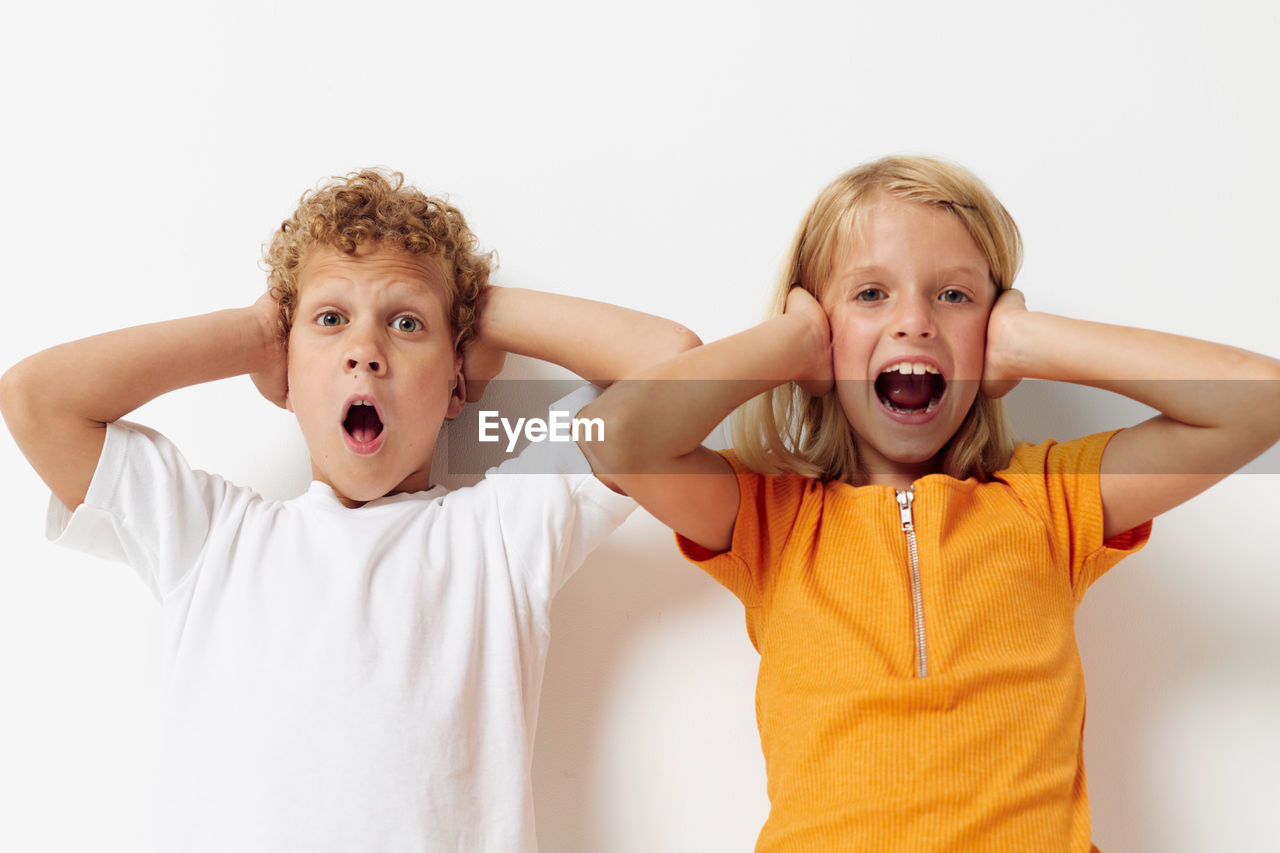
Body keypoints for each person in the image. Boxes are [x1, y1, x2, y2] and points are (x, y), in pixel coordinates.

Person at [578, 155, 1280, 851]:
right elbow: (614, 438)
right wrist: (788, 342)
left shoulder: (1052, 503)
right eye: (869, 294)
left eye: (954, 296)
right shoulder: (771, 519)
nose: (914, 321)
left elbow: (1259, 401)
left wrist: (1031, 341)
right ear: (821, 336)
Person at [0, 168, 698, 852]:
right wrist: (251, 332)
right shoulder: (211, 539)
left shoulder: (501, 536)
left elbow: (674, 366)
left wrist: (478, 312)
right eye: (330, 320)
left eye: (405, 324)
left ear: (458, 385)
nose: (365, 351)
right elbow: (37, 400)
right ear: (285, 377)